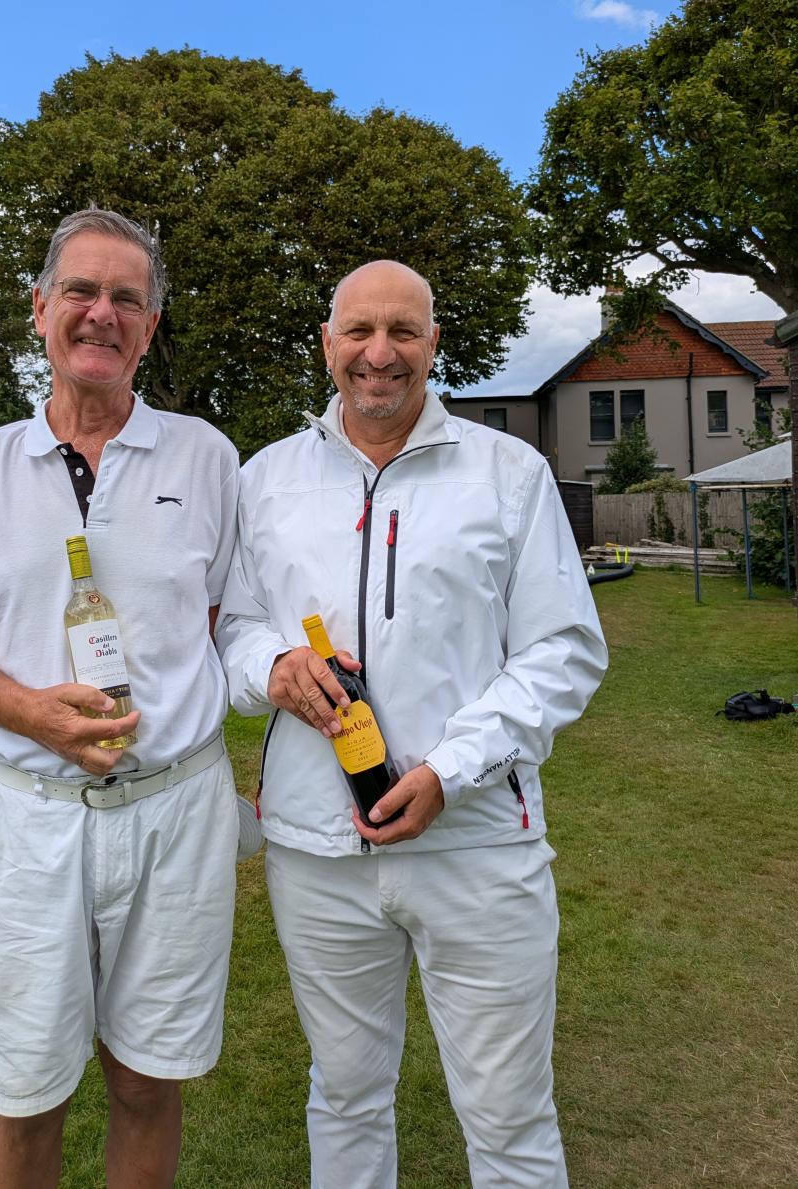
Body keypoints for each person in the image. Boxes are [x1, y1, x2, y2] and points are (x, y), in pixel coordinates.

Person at [217, 260, 608, 1188]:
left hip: (476, 846)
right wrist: (271, 668)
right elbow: (232, 626)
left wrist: (452, 768)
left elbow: (562, 651)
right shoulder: (265, 477)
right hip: (316, 852)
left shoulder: (508, 473)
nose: (378, 354)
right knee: (344, 1097)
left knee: (509, 1120)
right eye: (357, 331)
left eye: (402, 331)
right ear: (327, 343)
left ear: (434, 343)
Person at [0, 209, 249, 1189]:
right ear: (40, 310)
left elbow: (227, 624)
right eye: (83, 293)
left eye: (127, 299)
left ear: (150, 326)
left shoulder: (207, 460)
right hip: (30, 820)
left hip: (175, 813)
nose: (103, 313)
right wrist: (33, 713)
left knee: (146, 1082)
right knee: (25, 1095)